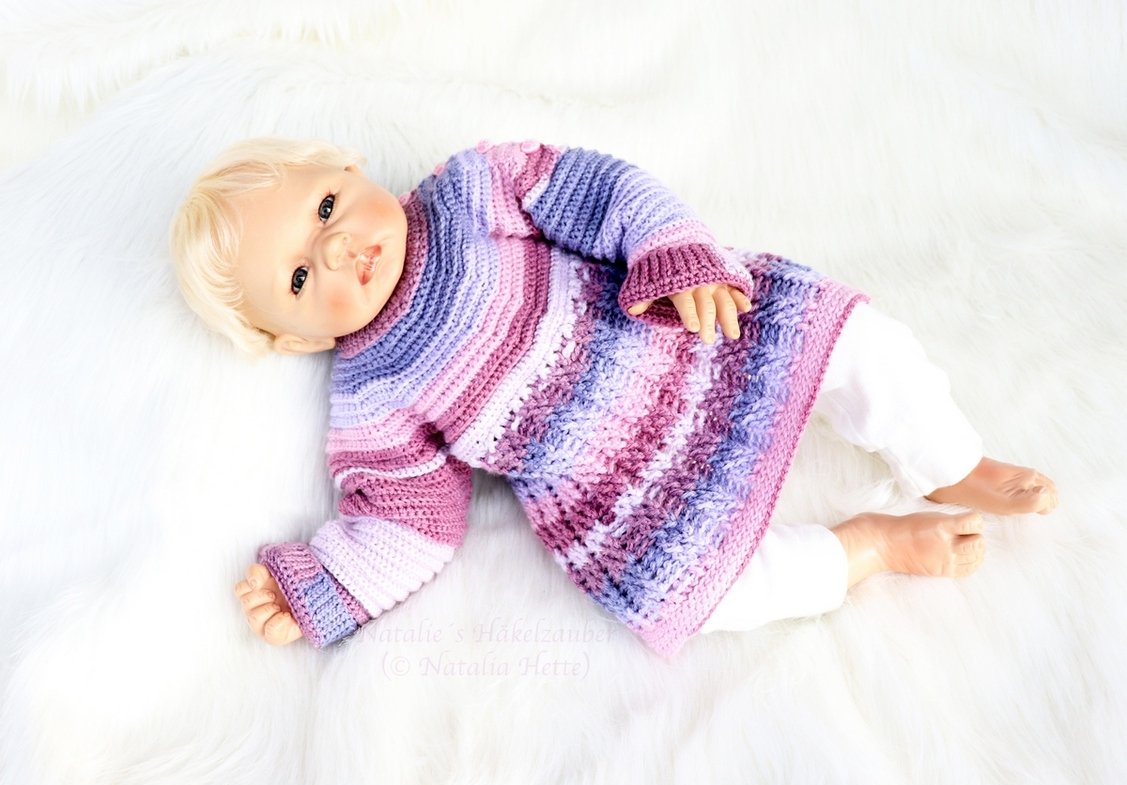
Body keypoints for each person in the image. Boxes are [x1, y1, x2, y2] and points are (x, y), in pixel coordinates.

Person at [169, 137, 1058, 657]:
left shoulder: (468, 191)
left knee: (858, 342)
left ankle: (950, 460)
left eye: (326, 208)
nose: (334, 249)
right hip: (620, 490)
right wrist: (326, 584)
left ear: (348, 166)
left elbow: (598, 191)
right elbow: (406, 519)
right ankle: (866, 549)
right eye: (297, 277)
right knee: (706, 599)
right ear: (295, 339)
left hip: (693, 335)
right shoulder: (371, 395)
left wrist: (670, 248)